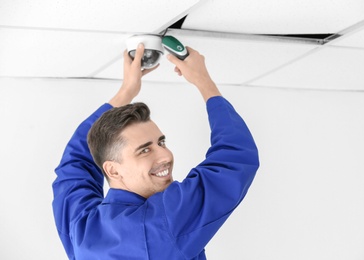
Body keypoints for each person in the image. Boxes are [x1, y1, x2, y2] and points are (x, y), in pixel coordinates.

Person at [52, 43, 259, 260]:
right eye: (144, 150)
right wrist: (203, 81)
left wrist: (127, 91)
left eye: (161, 142)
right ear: (112, 170)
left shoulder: (82, 229)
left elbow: (75, 162)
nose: (165, 155)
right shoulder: (162, 221)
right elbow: (235, 158)